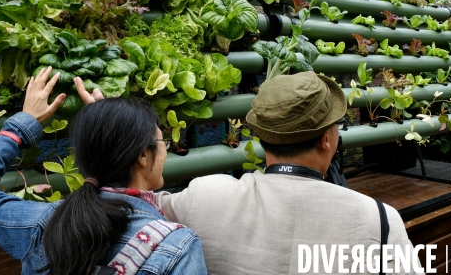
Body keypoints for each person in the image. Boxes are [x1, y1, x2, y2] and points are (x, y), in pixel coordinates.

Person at [156, 71, 422, 275]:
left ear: (262, 136)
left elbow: (130, 201)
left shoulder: (203, 197)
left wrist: (154, 145)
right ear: (326, 140)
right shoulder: (378, 220)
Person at [0, 67, 208, 275]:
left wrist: (22, 126)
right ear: (143, 155)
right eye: (161, 142)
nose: (165, 152)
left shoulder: (44, 224)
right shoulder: (176, 246)